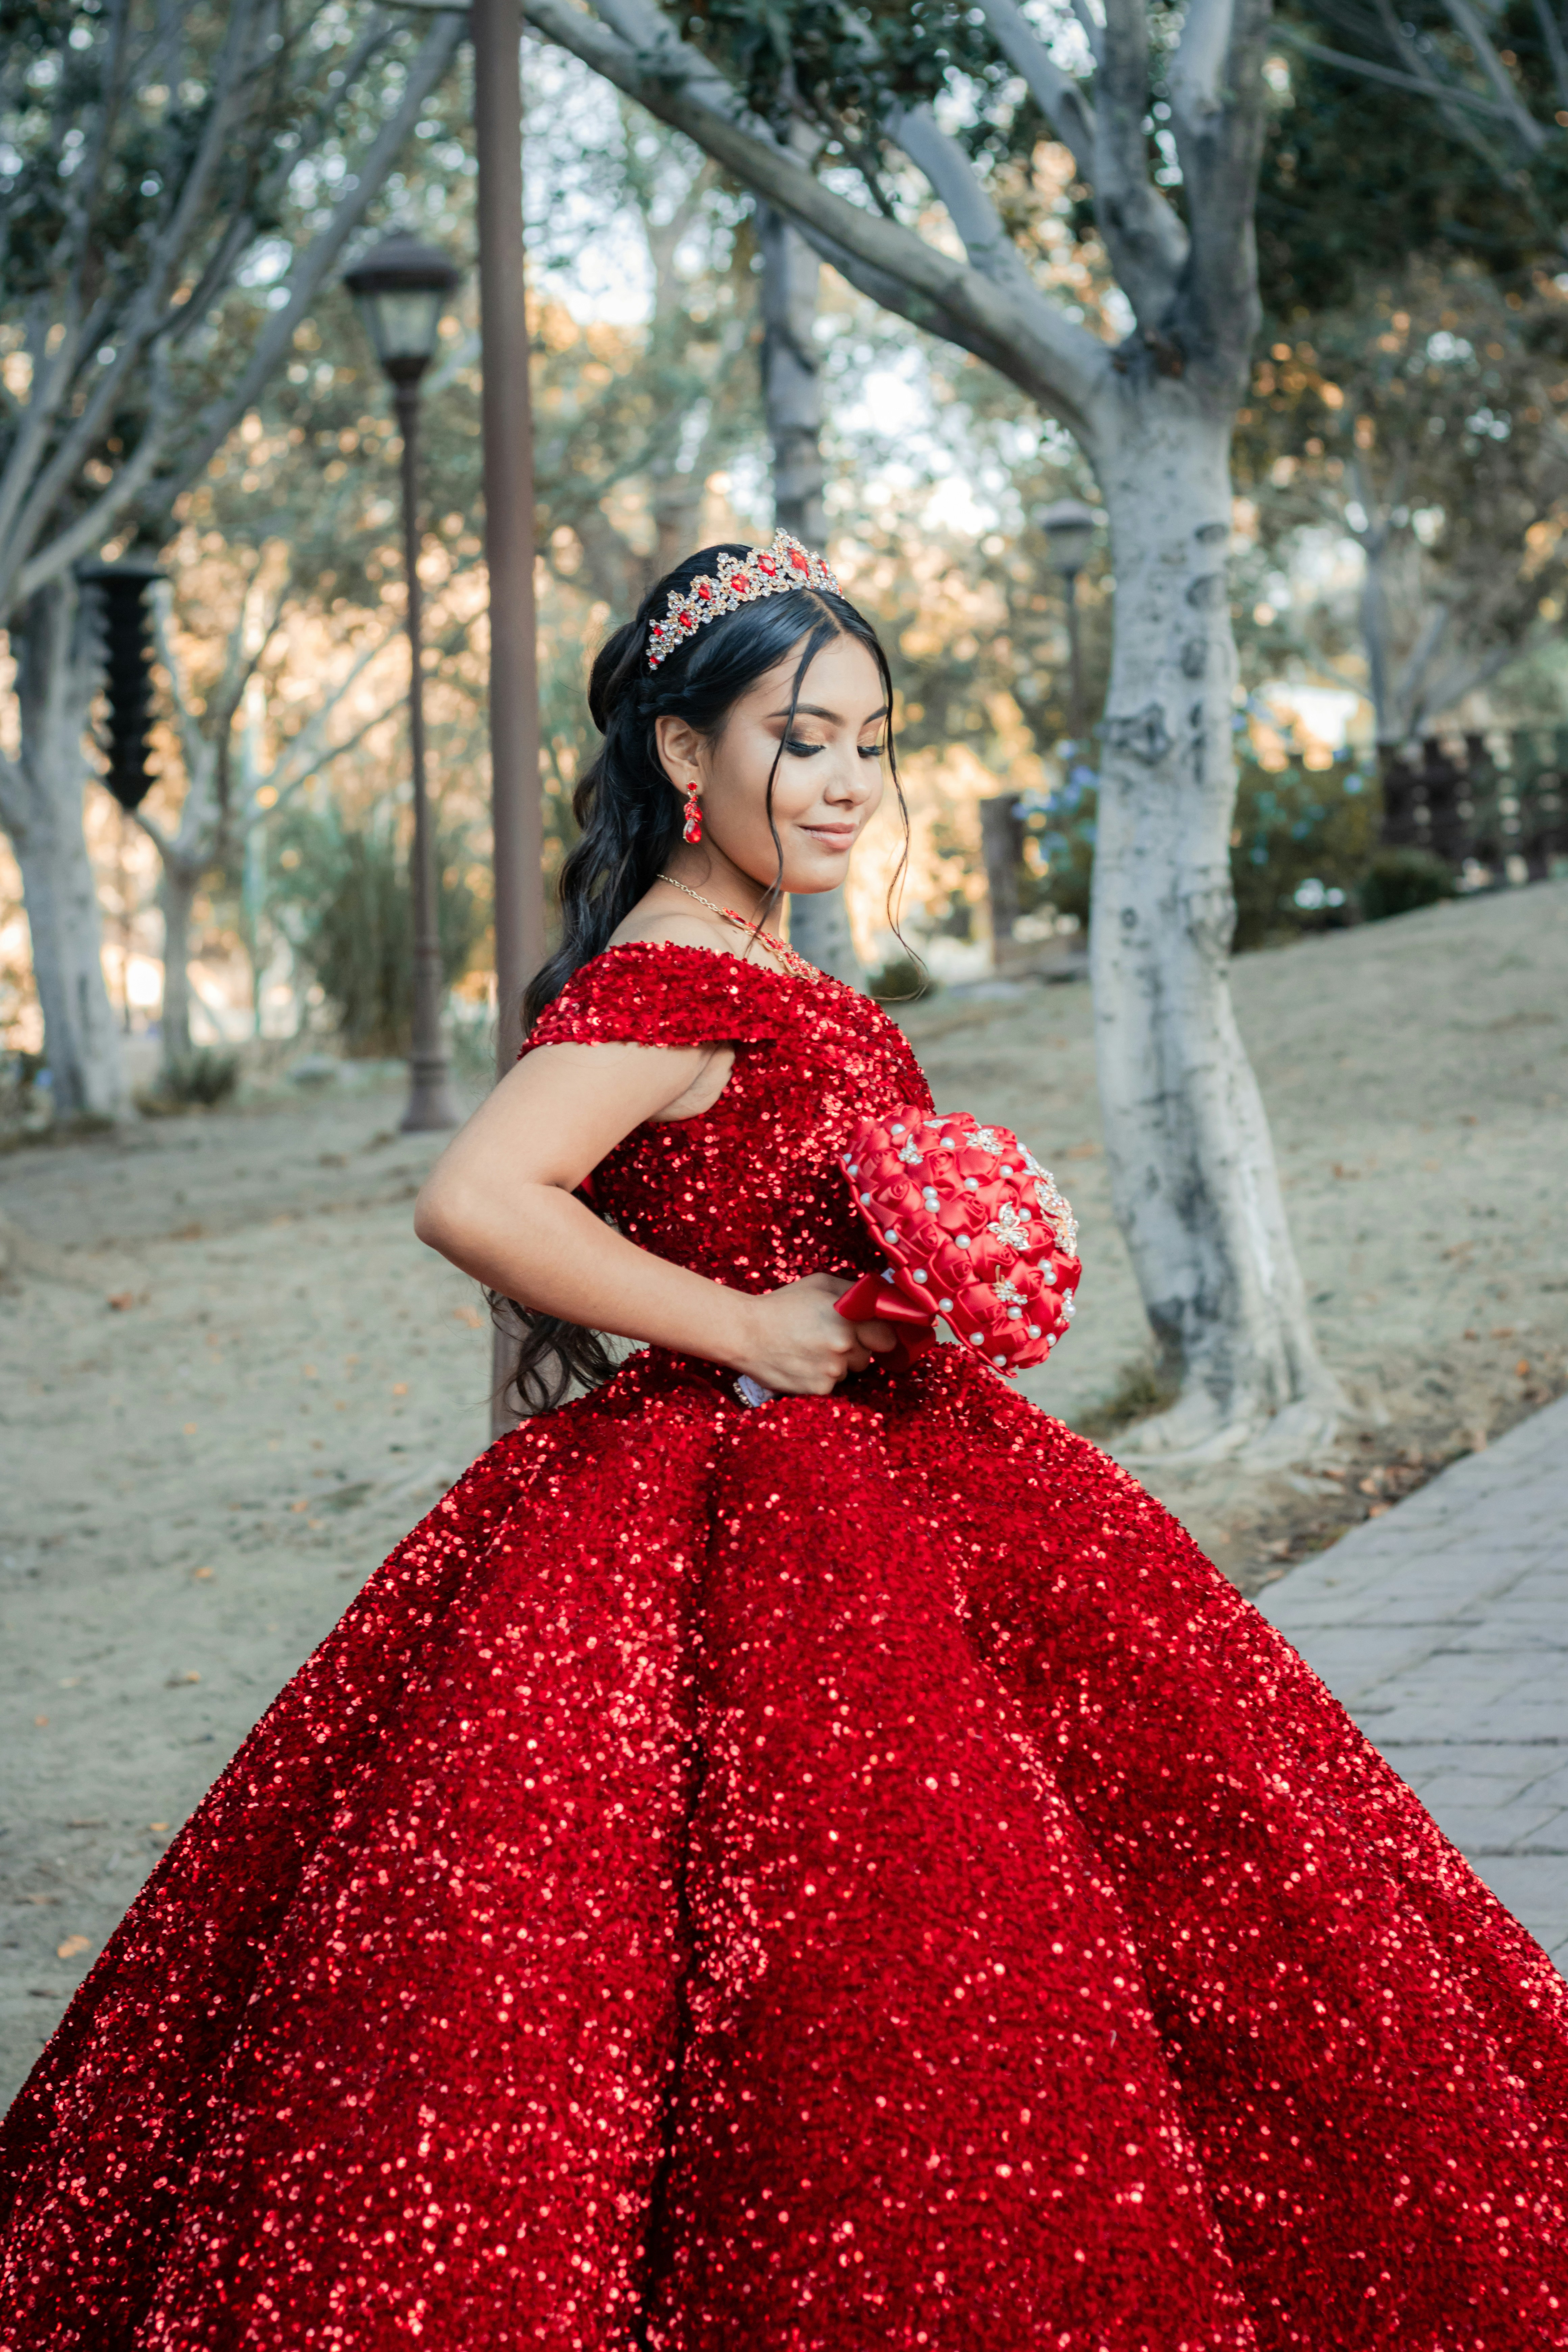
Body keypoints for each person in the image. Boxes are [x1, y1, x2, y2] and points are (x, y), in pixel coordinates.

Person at [1, 534, 1564, 2351]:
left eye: (871, 741)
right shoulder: (677, 977)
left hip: (910, 1475)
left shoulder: (765, 957)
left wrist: (926, 1273)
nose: (844, 781)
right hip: (741, 1505)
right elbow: (482, 1192)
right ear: (686, 756)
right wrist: (752, 1324)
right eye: (798, 737)